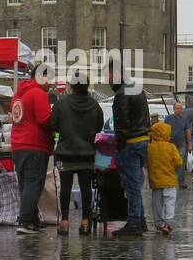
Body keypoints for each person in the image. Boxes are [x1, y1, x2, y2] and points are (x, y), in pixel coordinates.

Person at [48, 67, 103, 235]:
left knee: (65, 187)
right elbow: (99, 126)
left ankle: (64, 222)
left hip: (66, 152)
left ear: (71, 85)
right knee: (86, 188)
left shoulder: (62, 103)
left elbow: (53, 125)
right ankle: (85, 221)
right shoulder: (94, 105)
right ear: (86, 86)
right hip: (86, 153)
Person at [110, 59, 151, 236]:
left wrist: (119, 145)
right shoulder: (137, 88)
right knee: (135, 183)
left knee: (131, 185)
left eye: (109, 75)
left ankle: (135, 221)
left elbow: (122, 122)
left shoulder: (122, 93)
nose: (107, 79)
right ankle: (140, 220)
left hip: (131, 143)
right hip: (142, 141)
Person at [11, 64, 54, 234]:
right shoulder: (38, 94)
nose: (50, 84)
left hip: (18, 145)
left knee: (25, 184)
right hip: (35, 145)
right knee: (34, 184)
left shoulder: (18, 95)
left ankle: (32, 219)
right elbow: (44, 119)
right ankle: (25, 221)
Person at [147, 121, 184, 235]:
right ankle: (168, 223)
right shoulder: (171, 147)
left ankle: (159, 224)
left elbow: (145, 162)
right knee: (169, 202)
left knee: (157, 204)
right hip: (169, 181)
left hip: (156, 181)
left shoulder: (149, 147)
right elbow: (178, 162)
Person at [164, 101, 192, 189]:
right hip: (170, 144)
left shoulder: (185, 119)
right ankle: (169, 180)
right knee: (169, 162)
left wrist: (189, 144)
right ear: (174, 109)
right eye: (177, 108)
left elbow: (188, 132)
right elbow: (164, 131)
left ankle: (181, 181)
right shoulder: (168, 118)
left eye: (180, 108)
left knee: (181, 162)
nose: (179, 110)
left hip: (182, 144)